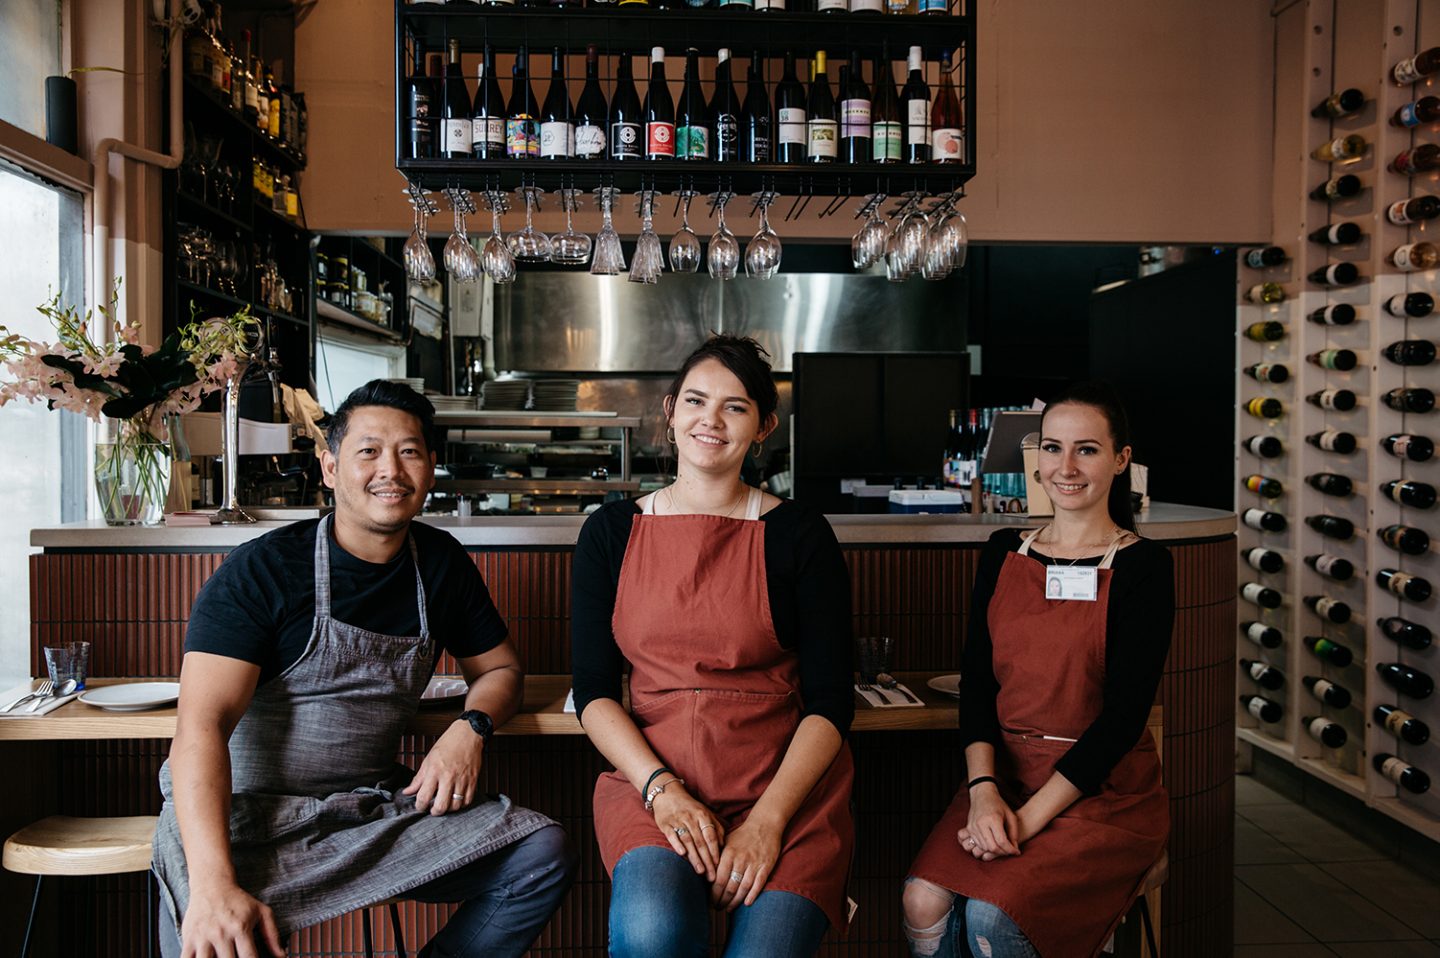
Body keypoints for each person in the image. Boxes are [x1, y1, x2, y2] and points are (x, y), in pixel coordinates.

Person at [152, 380, 575, 958]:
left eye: (409, 452)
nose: (391, 470)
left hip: (363, 810)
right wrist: (213, 884)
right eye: (368, 451)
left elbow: (502, 670)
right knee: (210, 934)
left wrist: (468, 730)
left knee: (538, 854)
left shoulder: (441, 564)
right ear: (329, 467)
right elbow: (199, 728)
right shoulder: (262, 572)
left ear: (430, 469)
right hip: (242, 819)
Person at [571, 335, 855, 958]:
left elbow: (832, 702)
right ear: (670, 411)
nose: (712, 420)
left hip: (782, 790)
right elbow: (592, 691)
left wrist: (768, 824)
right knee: (652, 933)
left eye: (736, 407)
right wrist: (660, 790)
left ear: (763, 428)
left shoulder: (800, 534)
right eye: (696, 401)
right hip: (654, 784)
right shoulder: (610, 532)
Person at [902, 381, 1174, 958]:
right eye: (1052, 448)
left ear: (1122, 459)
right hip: (1005, 776)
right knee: (921, 900)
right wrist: (983, 794)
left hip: (1099, 794)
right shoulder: (1003, 551)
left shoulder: (1143, 567)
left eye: (1088, 449)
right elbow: (978, 684)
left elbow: (1123, 722)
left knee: (994, 918)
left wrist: (1024, 824)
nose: (1066, 467)